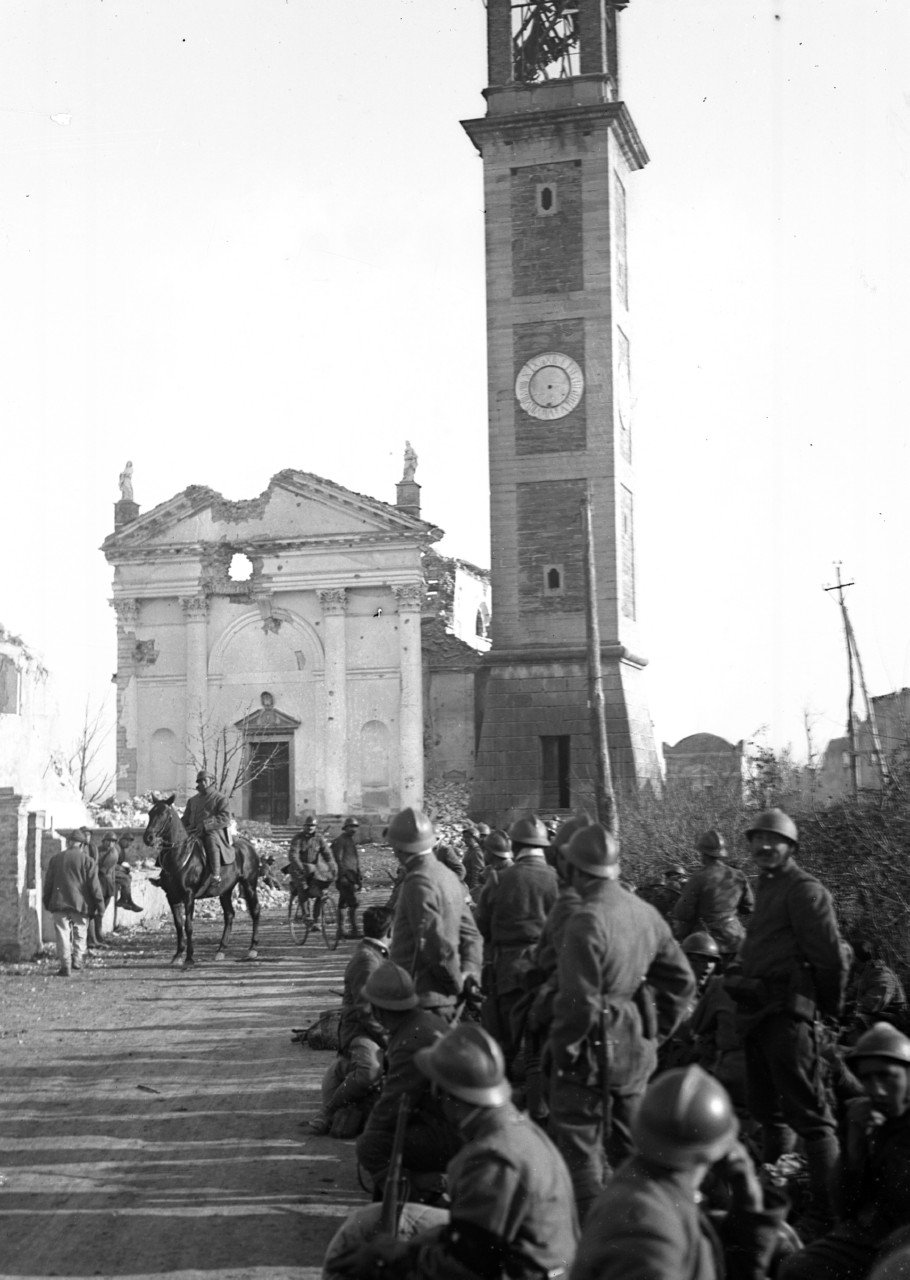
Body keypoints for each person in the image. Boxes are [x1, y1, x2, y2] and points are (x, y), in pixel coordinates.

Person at [334, 1024, 579, 1280]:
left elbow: (464, 1267)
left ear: (446, 1094)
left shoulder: (489, 1157)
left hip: (520, 1271)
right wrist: (417, 1244)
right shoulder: (517, 1126)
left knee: (362, 1254)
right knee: (370, 1222)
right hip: (535, 1263)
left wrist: (397, 1257)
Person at [548, 823, 696, 1222]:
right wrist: (653, 1032)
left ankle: (595, 1247)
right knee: (638, 1153)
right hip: (634, 1050)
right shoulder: (644, 912)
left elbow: (577, 1004)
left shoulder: (585, 919)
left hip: (591, 1056)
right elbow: (681, 981)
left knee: (582, 1159)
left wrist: (563, 1054)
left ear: (576, 870)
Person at [732, 808, 848, 1235]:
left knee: (813, 1118)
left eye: (773, 840)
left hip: (789, 1015)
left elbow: (830, 958)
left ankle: (827, 1216)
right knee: (770, 1115)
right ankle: (774, 1205)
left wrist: (826, 1010)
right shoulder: (767, 887)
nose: (763, 847)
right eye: (757, 839)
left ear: (791, 847)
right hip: (759, 1015)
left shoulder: (804, 890)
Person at [570, 1066, 786, 1280]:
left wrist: (748, 1200)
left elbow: (735, 1271)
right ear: (717, 1151)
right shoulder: (646, 1230)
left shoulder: (661, 1191)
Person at [780, 1023, 910, 1280]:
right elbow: (844, 1209)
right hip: (877, 1234)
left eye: (886, 1076)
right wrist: (854, 1148)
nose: (876, 1090)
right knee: (797, 1268)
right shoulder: (870, 1122)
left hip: (902, 1241)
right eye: (867, 1079)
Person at [355, 961, 460, 1196]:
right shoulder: (425, 1022)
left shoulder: (408, 1041)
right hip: (453, 1123)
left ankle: (418, 1189)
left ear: (379, 1010)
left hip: (448, 1133)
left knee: (370, 1146)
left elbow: (393, 1103)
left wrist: (370, 1132)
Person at [475, 813, 558, 1071]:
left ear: (517, 846)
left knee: (506, 1040)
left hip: (508, 969)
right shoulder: (558, 879)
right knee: (545, 1041)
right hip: (548, 969)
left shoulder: (499, 879)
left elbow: (482, 926)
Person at [386, 807, 483, 1023]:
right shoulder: (447, 876)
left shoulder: (417, 881)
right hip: (443, 999)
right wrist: (470, 974)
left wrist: (457, 984)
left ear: (400, 848)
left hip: (422, 999)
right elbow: (472, 936)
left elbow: (434, 944)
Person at [306, 906, 393, 1138]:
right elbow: (365, 1011)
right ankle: (327, 1110)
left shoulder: (375, 955)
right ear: (390, 930)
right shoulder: (368, 961)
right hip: (360, 1031)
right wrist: (388, 1038)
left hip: (373, 1026)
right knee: (370, 1071)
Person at [672, 828, 754, 957]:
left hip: (707, 943)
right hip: (736, 940)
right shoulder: (739, 876)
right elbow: (749, 907)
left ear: (703, 854)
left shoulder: (698, 878)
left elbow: (683, 913)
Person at [42, 832, 105, 977]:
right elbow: (94, 887)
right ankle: (77, 959)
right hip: (81, 904)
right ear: (82, 845)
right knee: (80, 932)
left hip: (59, 902)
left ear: (69, 842)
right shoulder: (88, 860)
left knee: (62, 934)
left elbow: (48, 884)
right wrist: (100, 906)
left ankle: (66, 966)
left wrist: (47, 901)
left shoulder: (56, 859)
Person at [182, 770, 232, 891]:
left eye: (204, 780)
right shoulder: (192, 800)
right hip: (192, 831)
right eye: (199, 781)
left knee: (211, 839)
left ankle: (216, 875)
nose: (201, 783)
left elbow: (225, 817)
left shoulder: (220, 798)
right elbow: (185, 818)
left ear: (211, 781)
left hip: (212, 831)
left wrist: (205, 824)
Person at [288, 815, 336, 921]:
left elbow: (327, 854)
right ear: (304, 826)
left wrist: (332, 866)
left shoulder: (319, 838)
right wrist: (300, 868)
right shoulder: (298, 838)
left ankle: (317, 919)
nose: (310, 827)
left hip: (313, 869)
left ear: (315, 827)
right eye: (308, 825)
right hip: (298, 869)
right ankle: (306, 915)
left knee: (321, 891)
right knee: (303, 888)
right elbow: (293, 855)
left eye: (312, 825)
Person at [88, 832, 120, 948]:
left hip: (107, 885)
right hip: (99, 883)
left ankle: (98, 936)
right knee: (96, 912)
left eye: (113, 841)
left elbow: (102, 869)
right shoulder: (98, 850)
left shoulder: (114, 853)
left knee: (100, 913)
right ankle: (96, 937)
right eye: (108, 840)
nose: (110, 843)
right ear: (104, 841)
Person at [332, 818, 363, 939]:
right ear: (345, 828)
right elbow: (338, 859)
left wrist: (358, 875)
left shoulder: (350, 840)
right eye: (351, 827)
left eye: (355, 827)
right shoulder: (340, 840)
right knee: (354, 903)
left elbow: (354, 860)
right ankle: (354, 930)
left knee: (343, 903)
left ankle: (341, 930)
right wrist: (343, 876)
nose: (353, 829)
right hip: (344, 877)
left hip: (352, 876)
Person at [460, 825, 486, 897]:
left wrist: (473, 890)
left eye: (467, 837)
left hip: (472, 889)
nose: (464, 840)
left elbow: (477, 872)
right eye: (464, 837)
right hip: (466, 885)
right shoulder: (469, 850)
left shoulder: (477, 852)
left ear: (474, 838)